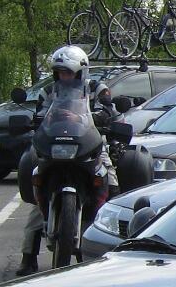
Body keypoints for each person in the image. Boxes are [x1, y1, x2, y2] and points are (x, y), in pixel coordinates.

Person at [18, 45, 114, 276]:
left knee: (111, 178)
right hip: (55, 144)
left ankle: (112, 241)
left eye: (68, 72)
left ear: (80, 72)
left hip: (91, 144)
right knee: (37, 189)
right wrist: (35, 121)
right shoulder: (49, 91)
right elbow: (39, 115)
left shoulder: (97, 89)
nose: (64, 76)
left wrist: (82, 117)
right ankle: (28, 256)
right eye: (60, 72)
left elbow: (108, 113)